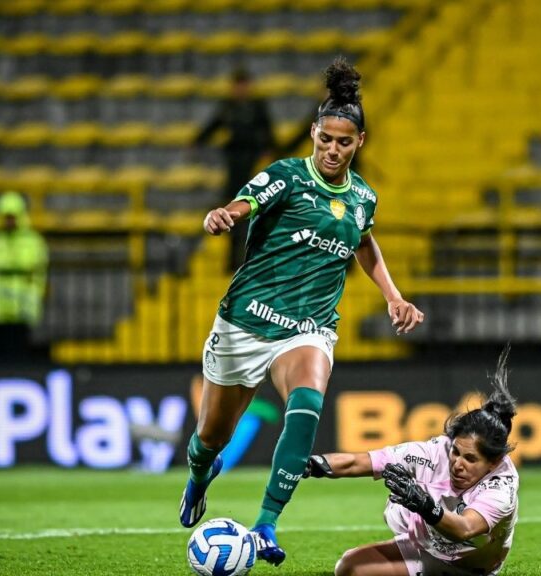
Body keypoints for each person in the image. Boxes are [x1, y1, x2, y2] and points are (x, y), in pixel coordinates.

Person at [179, 57, 425, 566]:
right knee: (210, 437)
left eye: (344, 141)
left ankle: (266, 523)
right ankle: (200, 476)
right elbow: (247, 200)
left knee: (307, 404)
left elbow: (364, 245)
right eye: (325, 139)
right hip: (246, 322)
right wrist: (227, 214)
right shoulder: (287, 176)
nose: (333, 150)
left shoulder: (362, 197)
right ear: (313, 133)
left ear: (360, 142)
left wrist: (393, 296)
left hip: (308, 328)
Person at [305, 350, 519, 576]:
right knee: (348, 568)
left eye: (470, 459)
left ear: (493, 462)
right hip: (427, 549)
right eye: (456, 451)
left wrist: (426, 506)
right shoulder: (434, 451)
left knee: (424, 504)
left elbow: (465, 529)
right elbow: (360, 462)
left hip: (472, 568)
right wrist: (310, 465)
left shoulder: (501, 486)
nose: (457, 463)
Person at [193, 66, 276, 272]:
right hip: (235, 164)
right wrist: (198, 140)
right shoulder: (228, 106)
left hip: (253, 165)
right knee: (232, 211)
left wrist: (269, 150)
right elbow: (214, 124)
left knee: (252, 211)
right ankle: (232, 262)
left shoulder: (257, 107)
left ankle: (249, 260)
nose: (240, 89)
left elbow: (268, 131)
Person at [0, 191, 48, 359]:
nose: (8, 221)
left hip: (23, 308)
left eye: (11, 216)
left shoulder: (31, 240)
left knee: (21, 354)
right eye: (5, 216)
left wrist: (5, 266)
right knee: (0, 355)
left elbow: (28, 263)